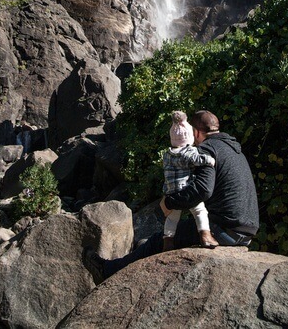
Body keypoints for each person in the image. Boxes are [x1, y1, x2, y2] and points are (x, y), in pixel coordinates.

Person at [82, 110, 259, 284]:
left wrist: (170, 202)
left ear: (196, 132)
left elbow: (203, 189)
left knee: (157, 241)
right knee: (161, 240)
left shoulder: (207, 149)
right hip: (245, 232)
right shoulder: (232, 148)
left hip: (225, 231)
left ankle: (106, 271)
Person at [162, 111, 218, 251]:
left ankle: (168, 242)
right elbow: (198, 160)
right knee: (200, 211)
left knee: (172, 218)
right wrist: (209, 160)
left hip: (171, 192)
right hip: (185, 189)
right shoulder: (189, 151)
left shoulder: (167, 155)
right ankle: (205, 236)